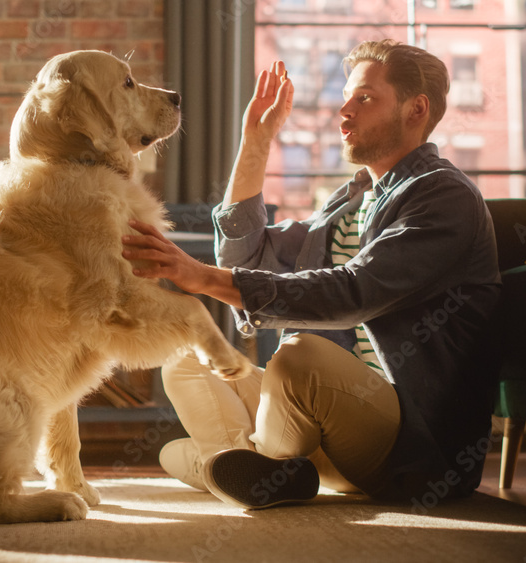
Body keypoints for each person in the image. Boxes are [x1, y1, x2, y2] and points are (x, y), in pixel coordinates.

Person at [122, 39, 501, 508]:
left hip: (408, 447)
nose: (343, 111)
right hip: (326, 430)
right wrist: (256, 142)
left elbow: (354, 294)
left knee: (298, 356)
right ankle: (260, 467)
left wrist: (199, 277)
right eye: (347, 97)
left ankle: (234, 462)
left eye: (364, 98)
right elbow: (250, 257)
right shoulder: (352, 200)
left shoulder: (443, 196)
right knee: (188, 358)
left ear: (416, 109)